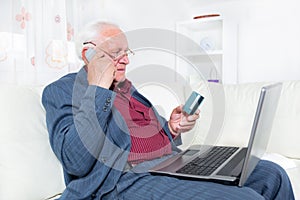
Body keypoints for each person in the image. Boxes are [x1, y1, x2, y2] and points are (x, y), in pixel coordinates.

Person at [42, 21, 295, 200]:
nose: (127, 59)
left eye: (127, 52)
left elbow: (145, 136)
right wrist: (98, 90)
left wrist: (172, 128)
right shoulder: (62, 91)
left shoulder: (128, 88)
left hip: (169, 163)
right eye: (116, 52)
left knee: (272, 175)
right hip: (122, 180)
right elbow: (75, 161)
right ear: (89, 53)